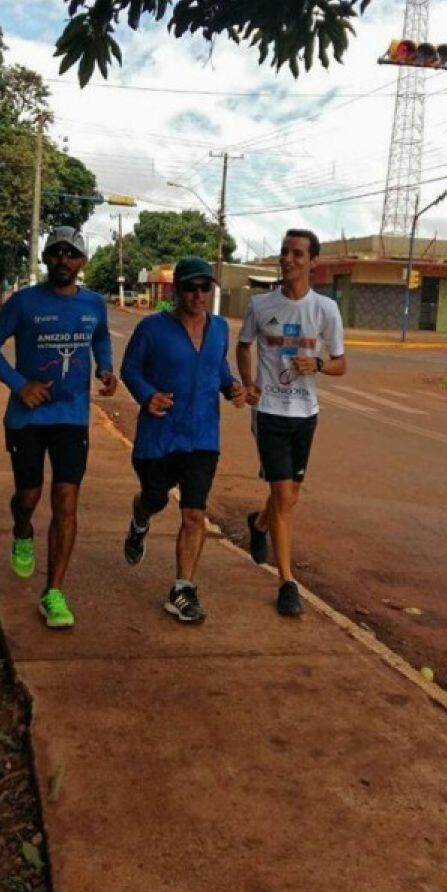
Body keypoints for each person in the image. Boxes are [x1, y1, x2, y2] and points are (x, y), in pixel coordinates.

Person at [0, 226, 117, 629]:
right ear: (45, 258)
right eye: (55, 252)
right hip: (28, 419)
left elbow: (101, 338)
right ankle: (22, 530)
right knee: (28, 496)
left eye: (71, 254)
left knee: (66, 500)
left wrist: (106, 368)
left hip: (72, 417)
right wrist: (20, 385)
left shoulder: (94, 304)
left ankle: (53, 591)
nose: (63, 260)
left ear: (82, 262)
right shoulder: (24, 303)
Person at [121, 256, 246, 624]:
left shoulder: (220, 328)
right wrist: (146, 395)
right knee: (154, 499)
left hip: (203, 436)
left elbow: (217, 366)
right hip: (159, 436)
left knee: (194, 512)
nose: (197, 294)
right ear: (176, 290)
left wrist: (231, 387)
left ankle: (182, 589)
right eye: (190, 287)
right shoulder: (152, 328)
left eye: (204, 287)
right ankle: (140, 519)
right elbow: (130, 368)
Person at [236, 229, 346, 616]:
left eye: (297, 254)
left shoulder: (326, 310)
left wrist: (316, 364)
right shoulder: (260, 305)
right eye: (285, 252)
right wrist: (250, 385)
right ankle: (286, 582)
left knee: (289, 495)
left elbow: (340, 364)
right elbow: (244, 345)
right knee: (285, 497)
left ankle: (260, 523)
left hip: (306, 415)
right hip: (269, 414)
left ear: (313, 262)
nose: (288, 259)